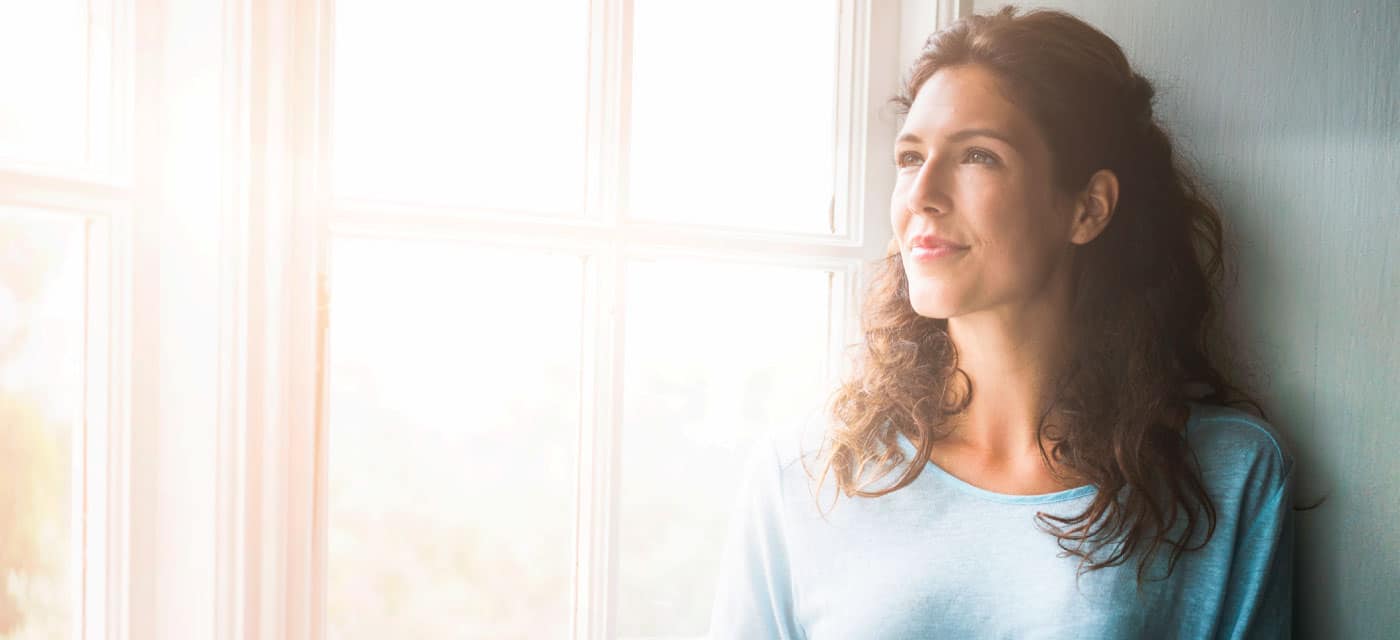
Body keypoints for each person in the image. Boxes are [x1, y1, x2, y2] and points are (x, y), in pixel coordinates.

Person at [708, 6, 1294, 639]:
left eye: (977, 156)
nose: (921, 195)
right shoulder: (806, 473)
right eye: (909, 157)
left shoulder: (1225, 474)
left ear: (1088, 208)